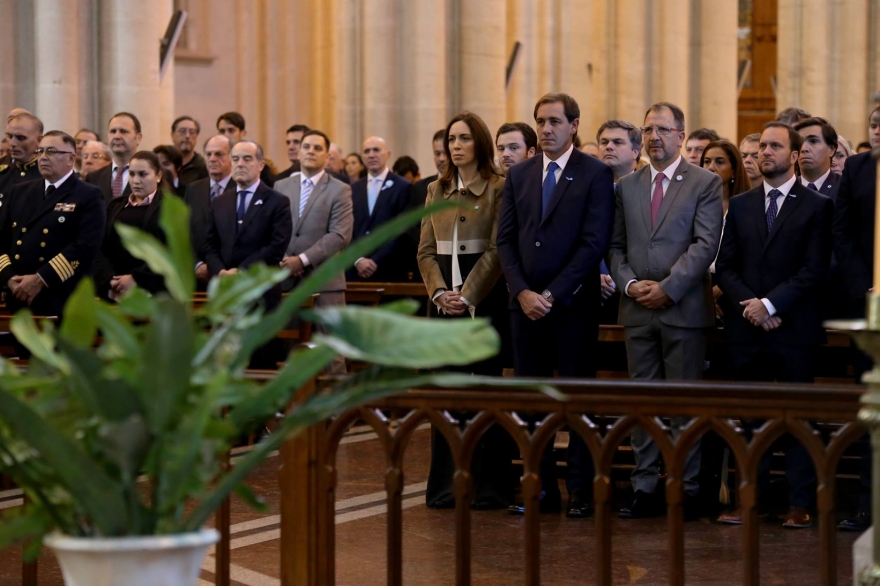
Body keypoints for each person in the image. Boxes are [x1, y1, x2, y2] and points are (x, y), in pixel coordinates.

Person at [497, 93, 615, 518]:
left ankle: (580, 490)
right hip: (524, 306)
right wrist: (523, 292)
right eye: (540, 122)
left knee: (574, 399)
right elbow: (505, 240)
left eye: (554, 122)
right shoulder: (520, 174)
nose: (546, 129)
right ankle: (540, 489)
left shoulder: (594, 173)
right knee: (532, 401)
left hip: (571, 306)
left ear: (574, 125)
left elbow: (593, 242)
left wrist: (552, 294)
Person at [607, 102, 723, 520]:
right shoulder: (627, 186)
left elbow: (705, 244)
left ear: (680, 134)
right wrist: (631, 284)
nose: (655, 137)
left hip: (684, 309)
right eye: (649, 129)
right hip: (637, 307)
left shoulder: (704, 182)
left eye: (663, 129)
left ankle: (686, 487)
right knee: (643, 400)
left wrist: (669, 288)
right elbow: (615, 246)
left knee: (683, 402)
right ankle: (644, 487)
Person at [715, 122, 832, 529]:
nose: (765, 152)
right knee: (748, 417)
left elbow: (814, 269)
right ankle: (749, 500)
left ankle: (799, 502)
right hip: (746, 327)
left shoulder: (816, 206)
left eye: (775, 146)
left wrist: (770, 303)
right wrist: (752, 305)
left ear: (795, 154)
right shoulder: (743, 205)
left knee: (795, 419)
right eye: (762, 146)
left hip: (793, 328)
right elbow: (725, 266)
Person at [419, 112, 513, 509]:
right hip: (442, 301)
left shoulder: (498, 188)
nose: (455, 146)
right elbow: (424, 251)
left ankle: (489, 488)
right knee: (446, 393)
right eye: (451, 140)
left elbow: (496, 250)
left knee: (483, 391)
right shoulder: (435, 190)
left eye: (464, 139)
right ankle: (445, 486)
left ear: (480, 143)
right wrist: (441, 293)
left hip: (484, 300)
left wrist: (468, 295)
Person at [202, 140, 292, 366]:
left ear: (260, 165)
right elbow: (209, 244)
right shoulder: (221, 202)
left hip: (260, 295)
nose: (240, 164)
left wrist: (241, 272)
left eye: (247, 159)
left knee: (260, 362)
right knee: (225, 363)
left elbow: (276, 247)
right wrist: (220, 271)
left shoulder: (277, 201)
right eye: (235, 159)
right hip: (227, 295)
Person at [833, 103, 880, 532]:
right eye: (874, 122)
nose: (879, 129)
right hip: (867, 306)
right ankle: (867, 503)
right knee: (871, 410)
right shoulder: (858, 169)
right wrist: (862, 284)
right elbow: (843, 234)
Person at [0, 130, 105, 319]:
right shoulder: (20, 192)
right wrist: (9, 279)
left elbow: (85, 247)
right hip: (19, 295)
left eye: (51, 152)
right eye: (40, 152)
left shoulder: (88, 195)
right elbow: (2, 240)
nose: (43, 157)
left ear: (71, 159)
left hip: (61, 297)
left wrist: (40, 279)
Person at [275, 130, 353, 374]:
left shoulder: (339, 189)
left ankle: (337, 410)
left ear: (327, 156)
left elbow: (339, 235)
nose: (310, 151)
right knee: (288, 348)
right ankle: (289, 408)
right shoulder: (281, 185)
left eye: (317, 148)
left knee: (331, 350)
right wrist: (285, 260)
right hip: (287, 279)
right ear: (298, 152)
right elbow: (276, 228)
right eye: (306, 146)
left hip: (324, 280)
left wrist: (302, 260)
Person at [94, 151, 172, 300]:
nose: (136, 180)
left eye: (143, 174)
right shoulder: (115, 205)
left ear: (158, 176)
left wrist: (135, 279)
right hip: (114, 290)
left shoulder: (169, 207)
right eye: (132, 174)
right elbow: (99, 248)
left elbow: (168, 251)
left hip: (152, 291)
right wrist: (110, 280)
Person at [346, 136, 412, 282]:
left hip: (388, 270)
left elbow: (401, 230)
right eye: (367, 151)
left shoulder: (402, 187)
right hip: (356, 272)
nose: (371, 155)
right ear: (362, 158)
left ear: (387, 154)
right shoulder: (353, 189)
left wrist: (375, 261)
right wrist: (358, 260)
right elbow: (346, 228)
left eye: (376, 150)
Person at [596, 119, 643, 320]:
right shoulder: (584, 191)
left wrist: (624, 279)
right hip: (591, 290)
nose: (609, 146)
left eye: (617, 142)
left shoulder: (648, 192)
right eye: (604, 142)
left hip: (636, 290)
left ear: (635, 151)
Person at [701, 139, 750, 320]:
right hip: (698, 286)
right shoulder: (692, 205)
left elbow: (750, 254)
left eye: (719, 162)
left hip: (735, 288)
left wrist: (723, 286)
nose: (711, 167)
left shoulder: (747, 206)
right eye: (706, 161)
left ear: (734, 170)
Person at [188, 135, 235, 286]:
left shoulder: (241, 188)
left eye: (219, 154)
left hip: (232, 276)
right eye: (208, 154)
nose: (212, 159)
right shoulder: (193, 189)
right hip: (198, 278)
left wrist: (220, 270)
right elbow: (185, 233)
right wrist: (198, 265)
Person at [85, 112, 142, 203]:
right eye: (113, 131)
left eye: (123, 131)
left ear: (138, 138)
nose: (117, 136)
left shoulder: (150, 177)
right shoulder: (93, 178)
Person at [215, 112, 275, 187]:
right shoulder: (213, 163)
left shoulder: (257, 165)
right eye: (222, 131)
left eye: (231, 130)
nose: (226, 135)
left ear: (243, 133)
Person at [0, 113, 43, 202]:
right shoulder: (3, 172)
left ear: (39, 140)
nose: (12, 143)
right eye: (9, 136)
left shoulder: (49, 173)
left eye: (21, 138)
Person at [171, 116, 208, 185]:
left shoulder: (203, 167)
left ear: (196, 137)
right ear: (172, 135)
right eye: (182, 131)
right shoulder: (165, 164)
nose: (187, 136)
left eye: (192, 132)